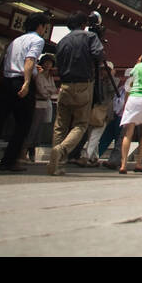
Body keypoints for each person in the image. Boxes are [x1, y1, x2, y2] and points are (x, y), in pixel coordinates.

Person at [0, 11, 51, 174]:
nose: (45, 30)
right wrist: (27, 82)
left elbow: (8, 60)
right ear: (40, 26)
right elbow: (29, 60)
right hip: (21, 82)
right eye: (45, 26)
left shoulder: (16, 40)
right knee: (23, 124)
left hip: (6, 80)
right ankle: (9, 161)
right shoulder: (37, 40)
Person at [49, 12, 104, 176]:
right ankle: (61, 150)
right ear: (83, 24)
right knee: (80, 124)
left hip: (64, 85)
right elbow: (99, 55)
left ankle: (56, 163)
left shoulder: (62, 41)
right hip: (83, 85)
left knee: (60, 125)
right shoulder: (90, 37)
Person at [78, 60, 118, 166]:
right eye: (103, 70)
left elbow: (111, 91)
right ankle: (94, 157)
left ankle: (87, 156)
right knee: (92, 133)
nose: (104, 72)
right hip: (94, 109)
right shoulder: (96, 81)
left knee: (95, 134)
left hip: (105, 111)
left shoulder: (114, 81)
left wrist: (110, 78)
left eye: (107, 70)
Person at [24, 53, 57, 162]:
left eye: (50, 63)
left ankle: (32, 151)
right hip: (38, 103)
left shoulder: (50, 77)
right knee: (32, 128)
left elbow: (53, 89)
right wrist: (49, 92)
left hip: (45, 104)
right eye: (46, 62)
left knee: (38, 130)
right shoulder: (38, 75)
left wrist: (48, 92)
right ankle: (24, 152)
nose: (48, 65)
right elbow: (43, 91)